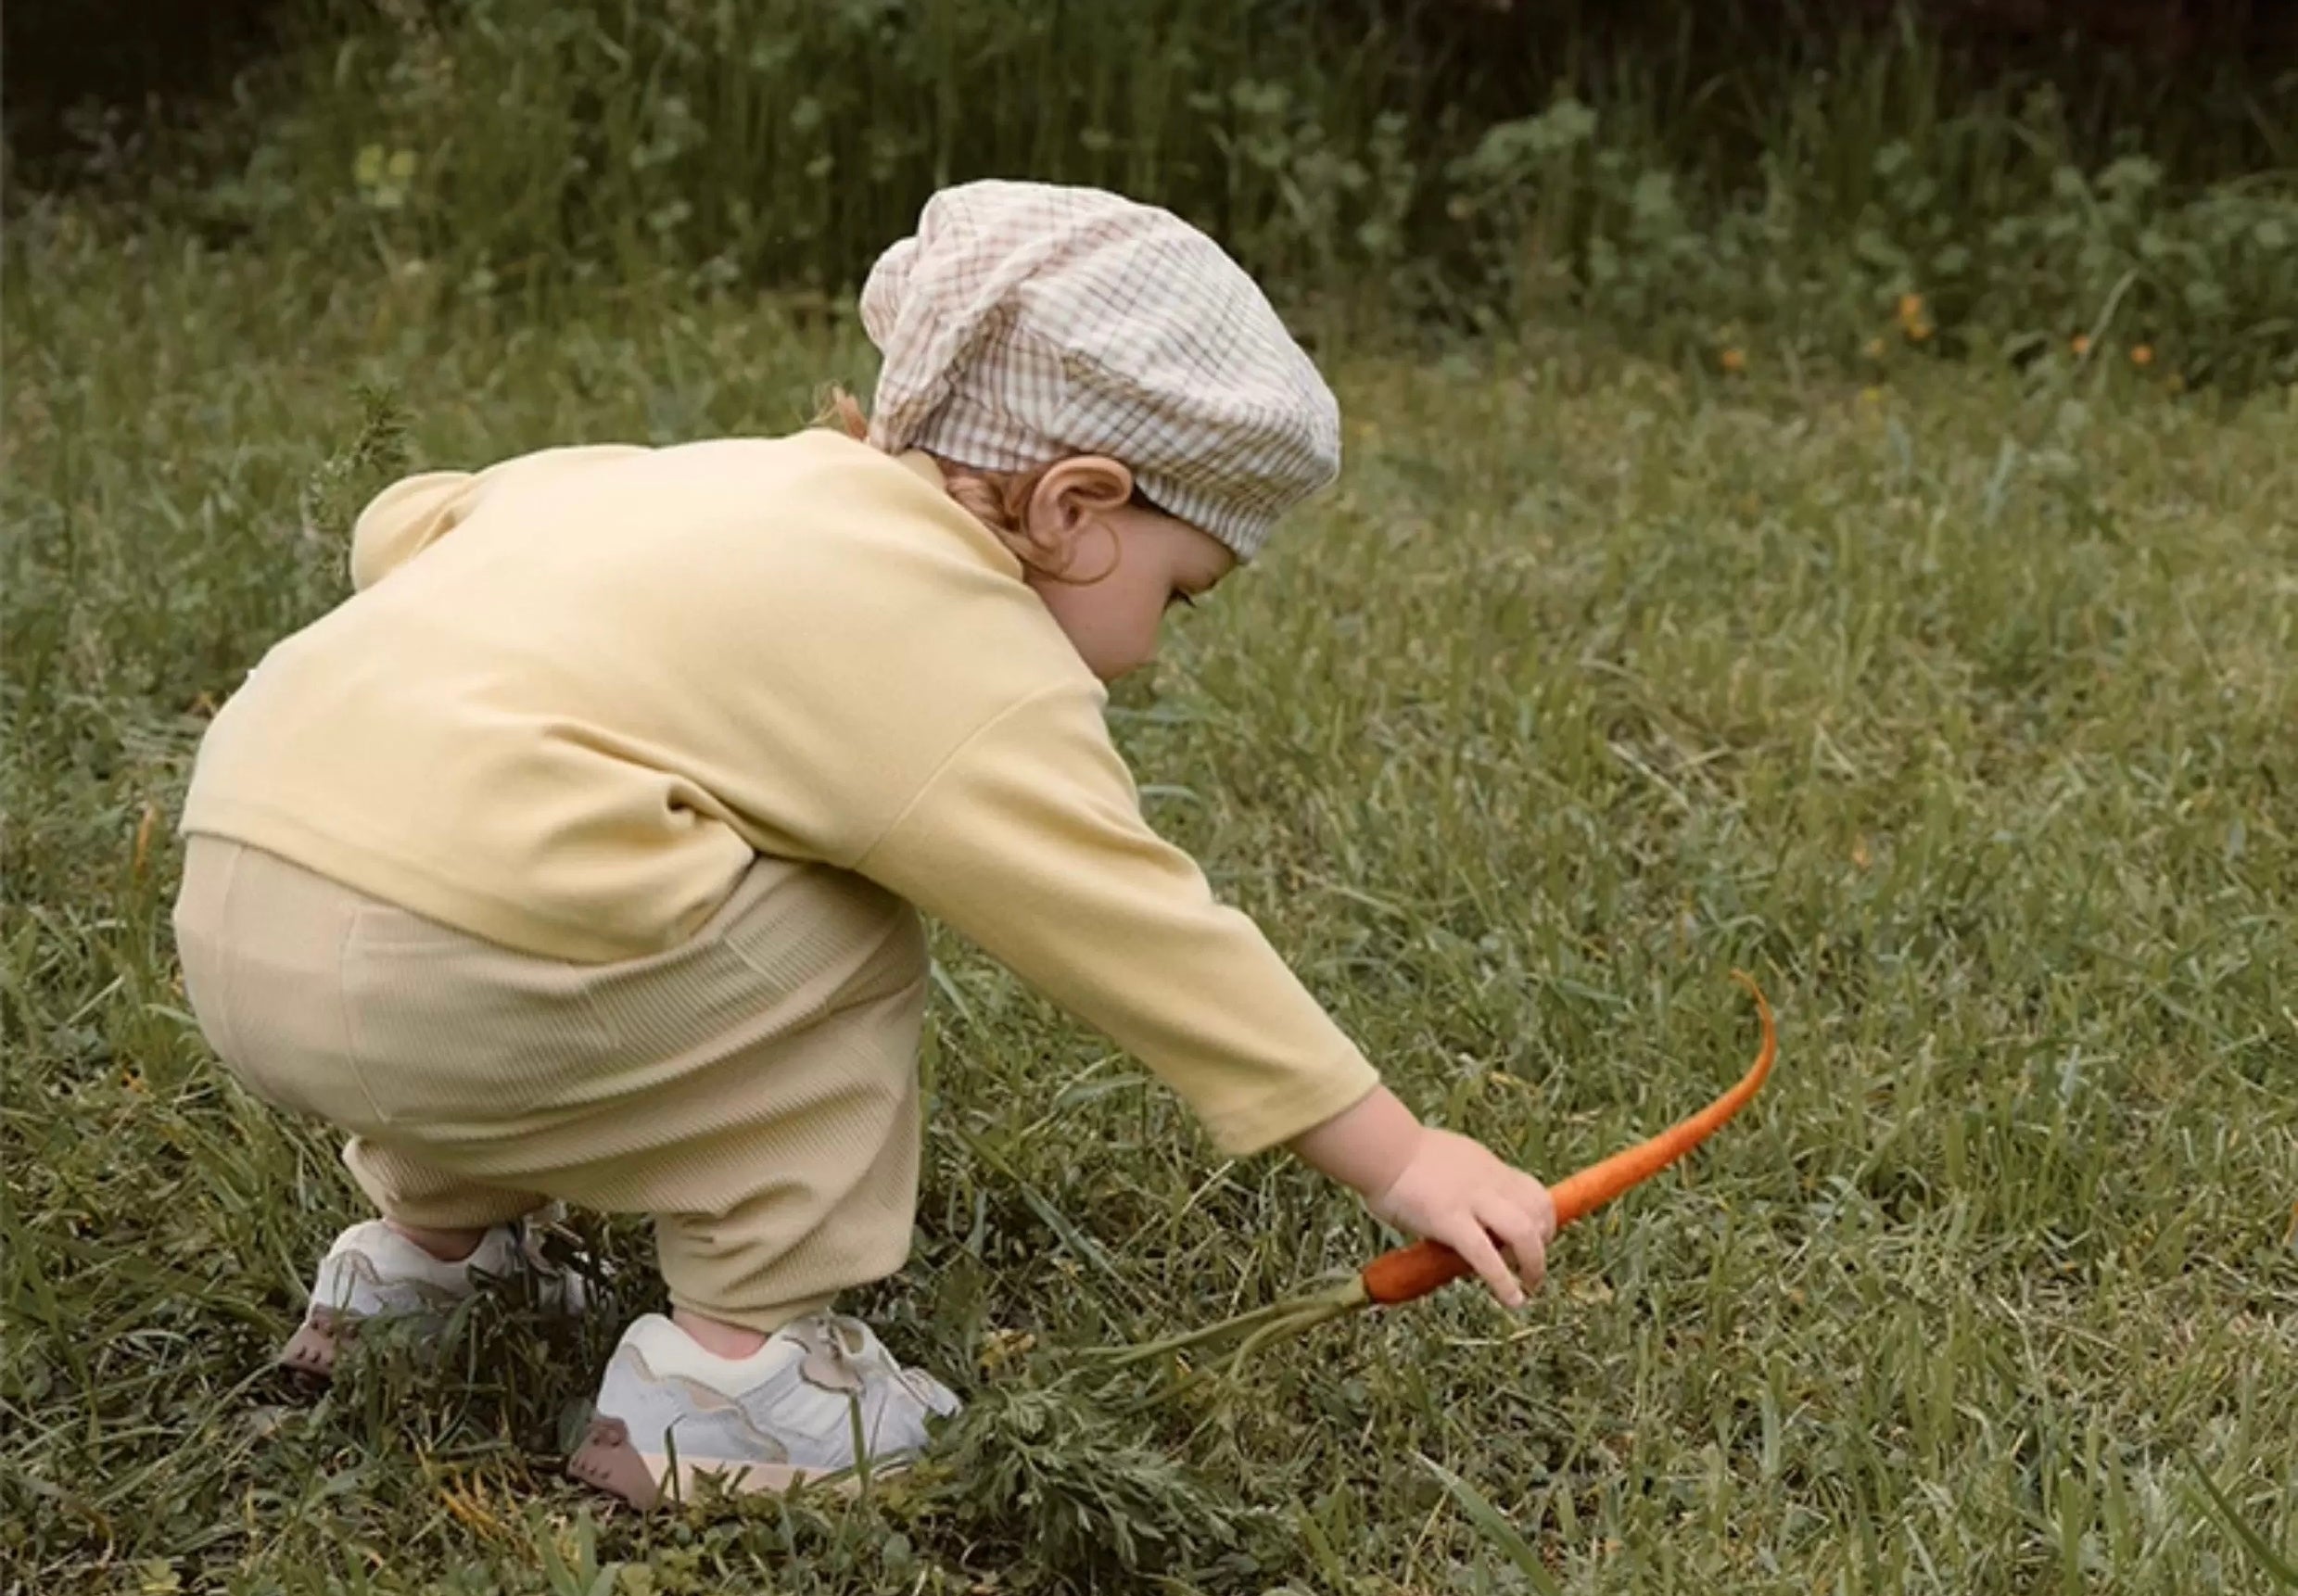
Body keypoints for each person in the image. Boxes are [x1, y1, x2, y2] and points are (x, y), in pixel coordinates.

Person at [170, 180, 1556, 1509]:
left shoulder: (687, 483)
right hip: (456, 977)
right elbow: (1132, 924)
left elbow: (403, 521)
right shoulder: (952, 634)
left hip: (242, 905)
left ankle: (419, 1266)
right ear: (1075, 508)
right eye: (1180, 592)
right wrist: (1401, 1155)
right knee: (838, 922)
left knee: (577, 854)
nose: (1159, 645)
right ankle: (736, 1378)